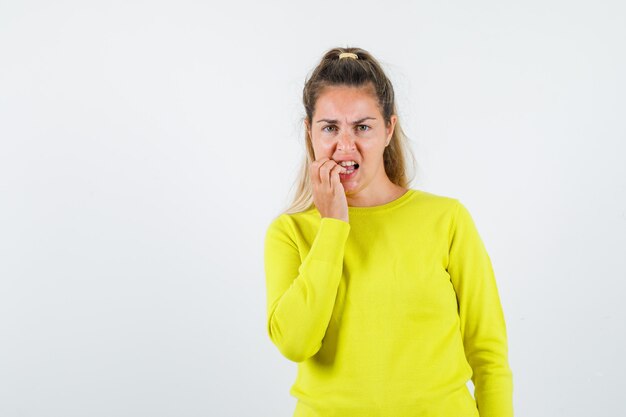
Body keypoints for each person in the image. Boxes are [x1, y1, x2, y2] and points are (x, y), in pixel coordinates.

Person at [263, 46, 513, 417]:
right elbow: (295, 343)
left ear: (388, 130)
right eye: (330, 127)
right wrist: (332, 226)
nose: (344, 145)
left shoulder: (447, 219)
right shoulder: (290, 232)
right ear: (309, 132)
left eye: (362, 127)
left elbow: (488, 356)